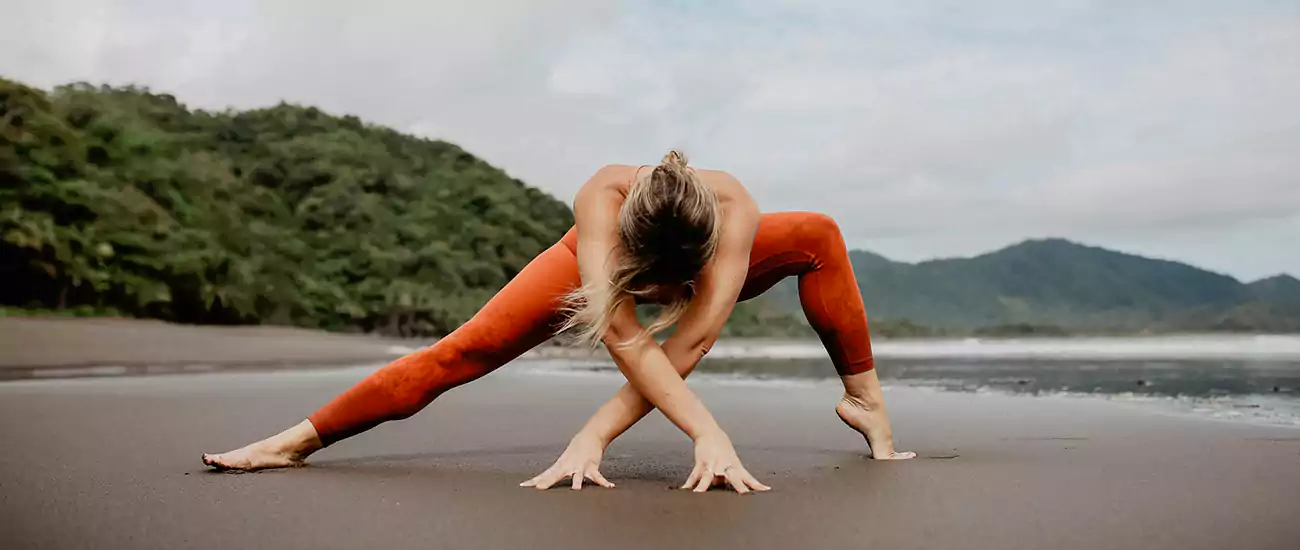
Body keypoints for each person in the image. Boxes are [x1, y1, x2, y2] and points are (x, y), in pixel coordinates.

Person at [203, 150, 915, 493]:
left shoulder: (734, 213)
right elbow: (629, 341)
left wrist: (603, 434)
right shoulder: (600, 205)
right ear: (628, 241)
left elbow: (689, 340)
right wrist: (695, 431)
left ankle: (867, 403)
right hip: (599, 257)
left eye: (678, 280)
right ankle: (294, 441)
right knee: (464, 351)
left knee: (818, 233)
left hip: (693, 250)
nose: (665, 293)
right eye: (653, 279)